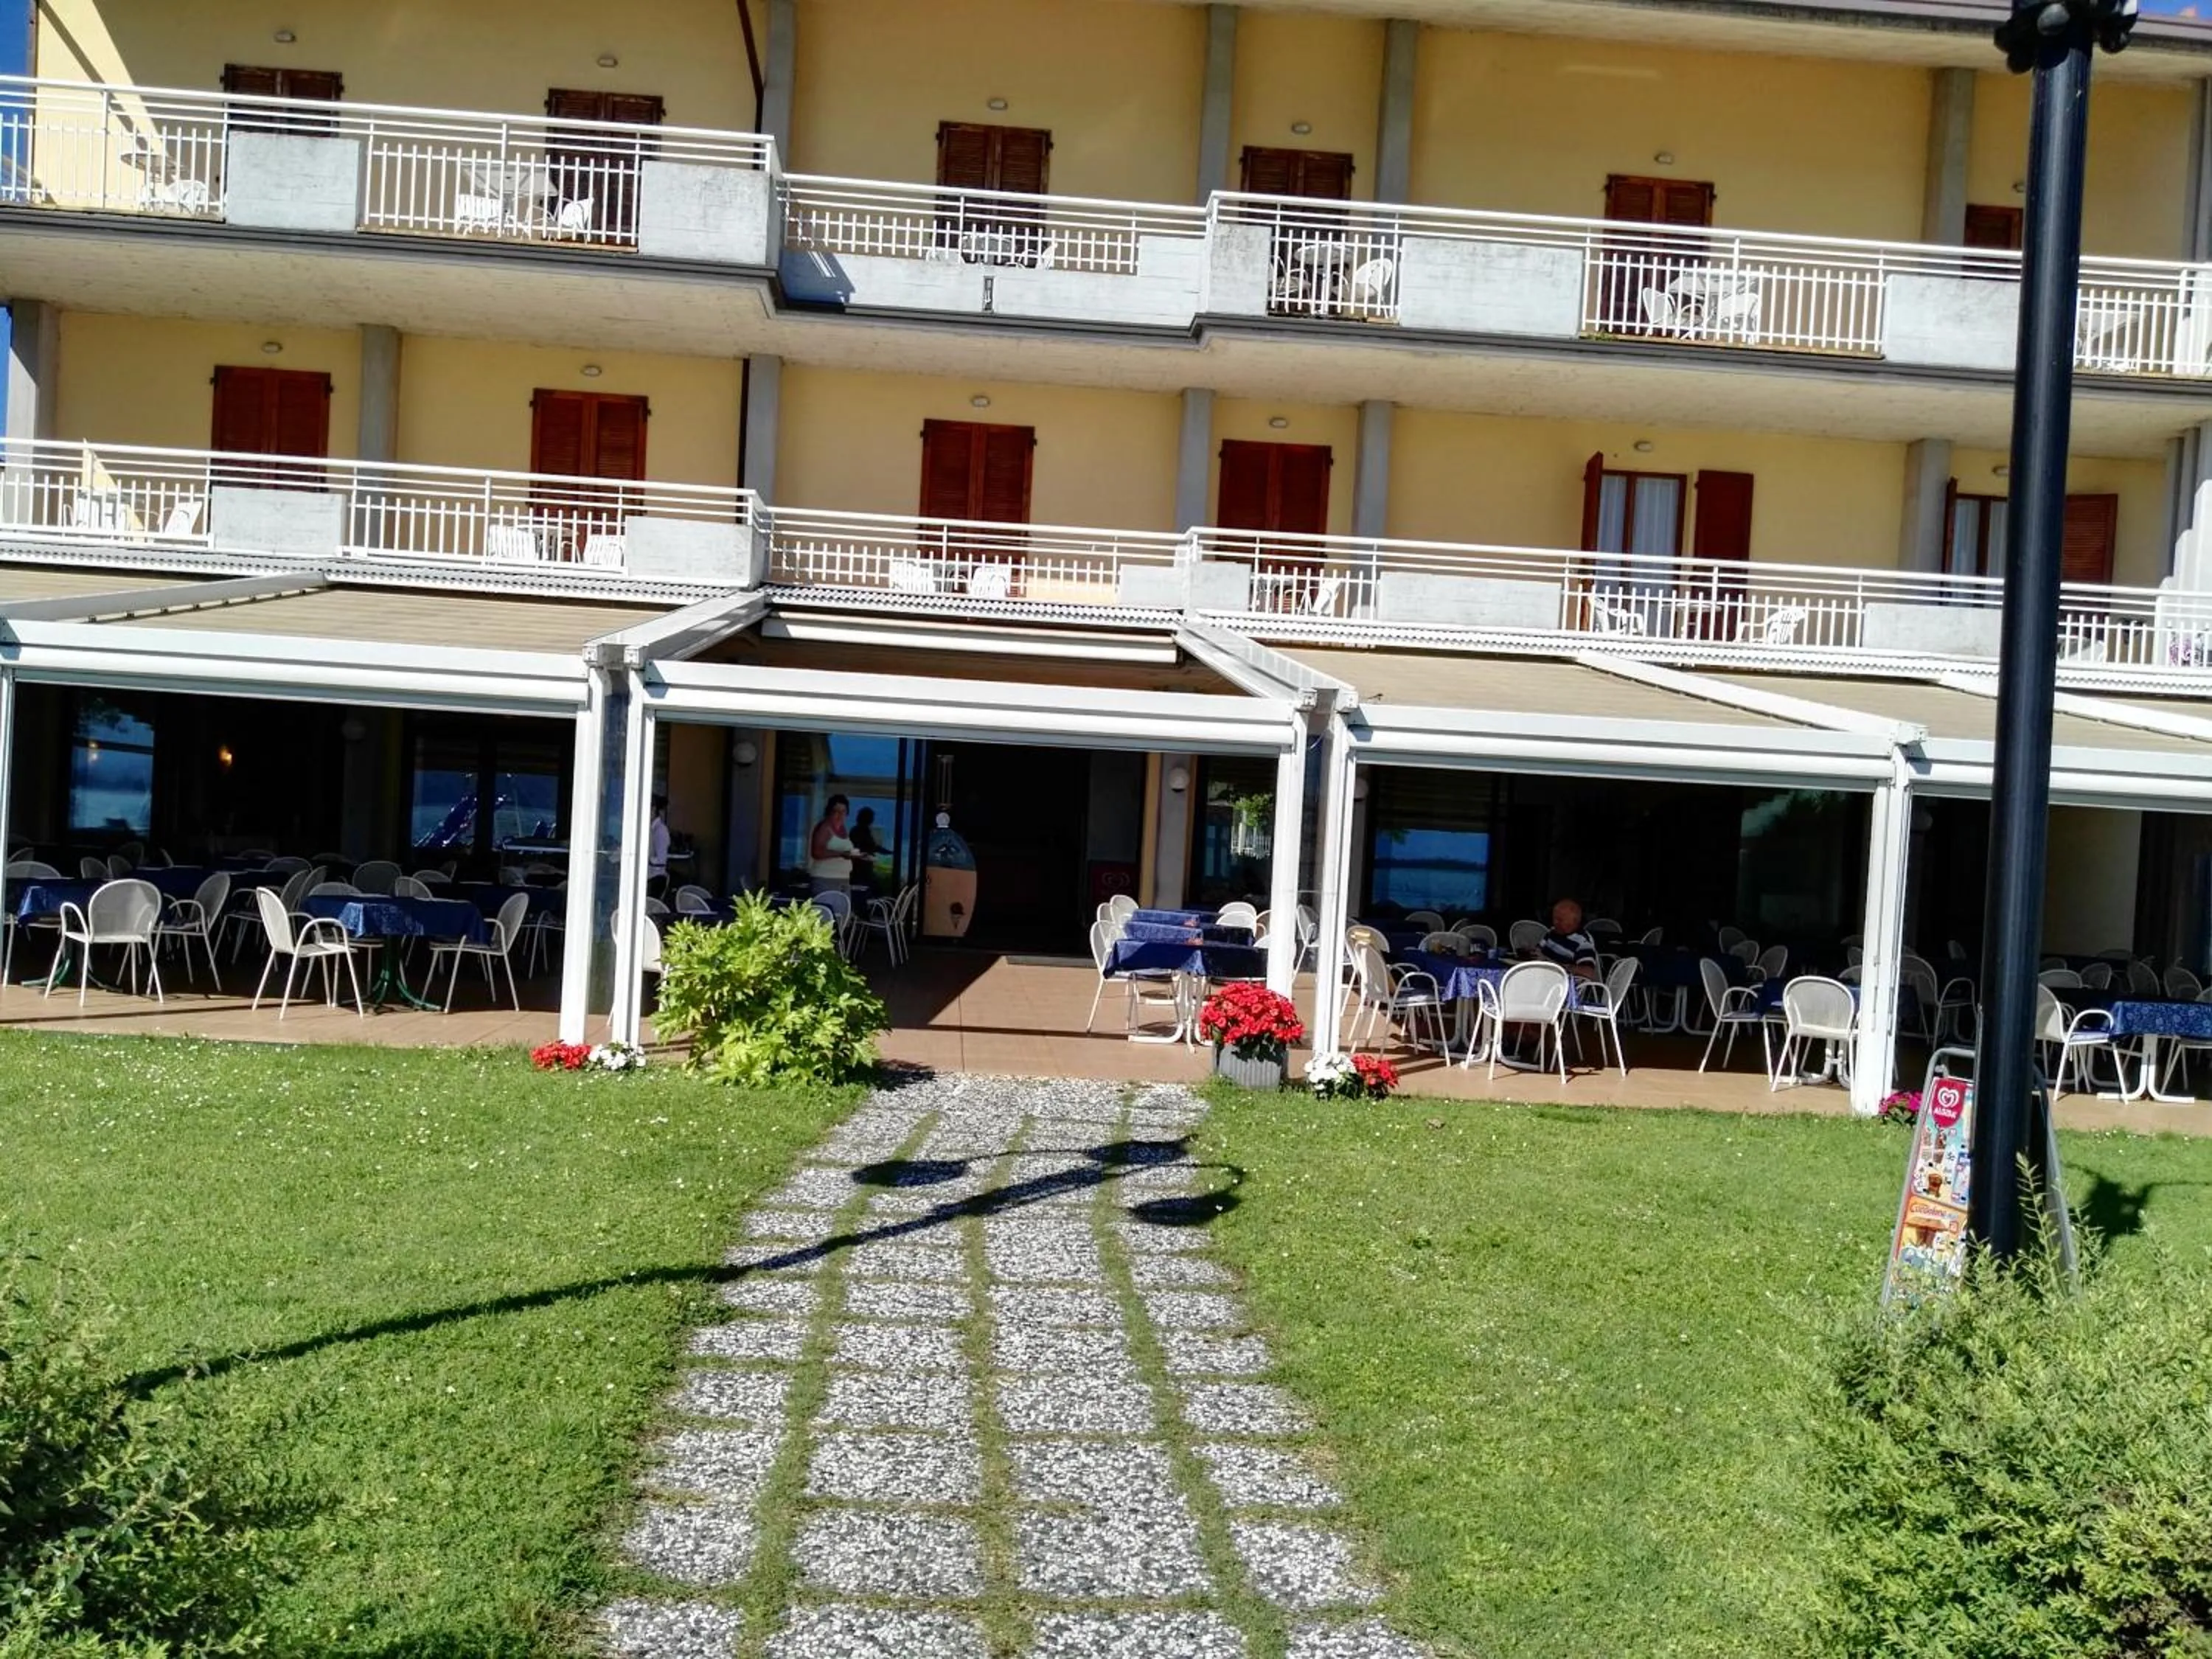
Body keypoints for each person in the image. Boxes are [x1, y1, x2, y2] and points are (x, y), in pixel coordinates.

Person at [807, 794, 860, 896]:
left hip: (843, 879)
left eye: (843, 812)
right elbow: (817, 852)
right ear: (830, 811)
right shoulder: (825, 827)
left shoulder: (843, 829)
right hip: (826, 878)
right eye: (836, 811)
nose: (840, 815)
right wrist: (841, 854)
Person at [1538, 897, 1600, 981]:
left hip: (1560, 985)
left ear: (1574, 921)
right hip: (1542, 976)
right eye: (1554, 918)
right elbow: (1538, 949)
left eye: (1560, 920)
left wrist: (1559, 966)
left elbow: (1588, 972)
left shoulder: (1583, 942)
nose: (1555, 922)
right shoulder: (1553, 932)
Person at [646, 795, 670, 895]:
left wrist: (646, 859)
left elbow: (661, 860)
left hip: (655, 879)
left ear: (653, 809)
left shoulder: (661, 830)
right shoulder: (650, 828)